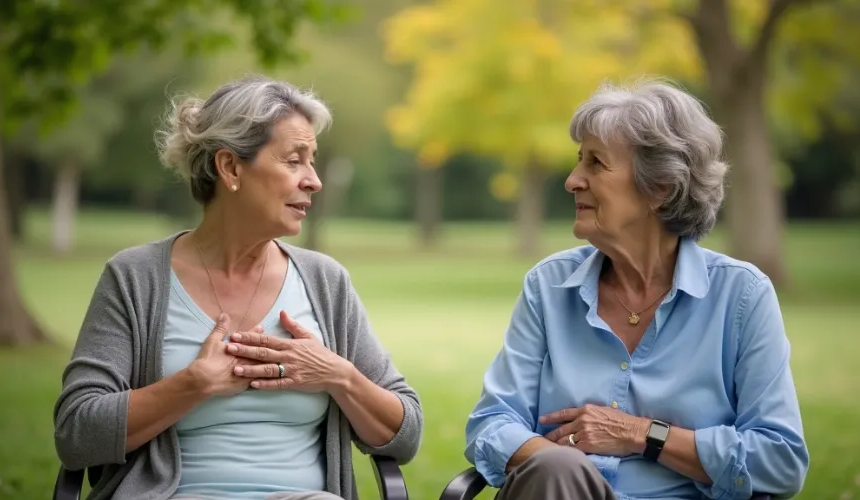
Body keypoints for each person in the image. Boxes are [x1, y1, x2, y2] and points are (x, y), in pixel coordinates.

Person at [53, 75, 423, 500]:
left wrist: (336, 374)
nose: (314, 180)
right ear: (230, 168)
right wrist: (194, 384)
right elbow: (75, 433)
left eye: (313, 160)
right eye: (294, 160)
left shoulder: (325, 282)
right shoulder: (135, 278)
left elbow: (405, 434)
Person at [463, 79, 809, 500]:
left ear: (659, 189)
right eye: (578, 161)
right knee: (557, 468)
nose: (573, 180)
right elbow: (492, 422)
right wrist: (558, 463)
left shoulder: (742, 296)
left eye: (596, 164)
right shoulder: (548, 286)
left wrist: (642, 434)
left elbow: (781, 458)